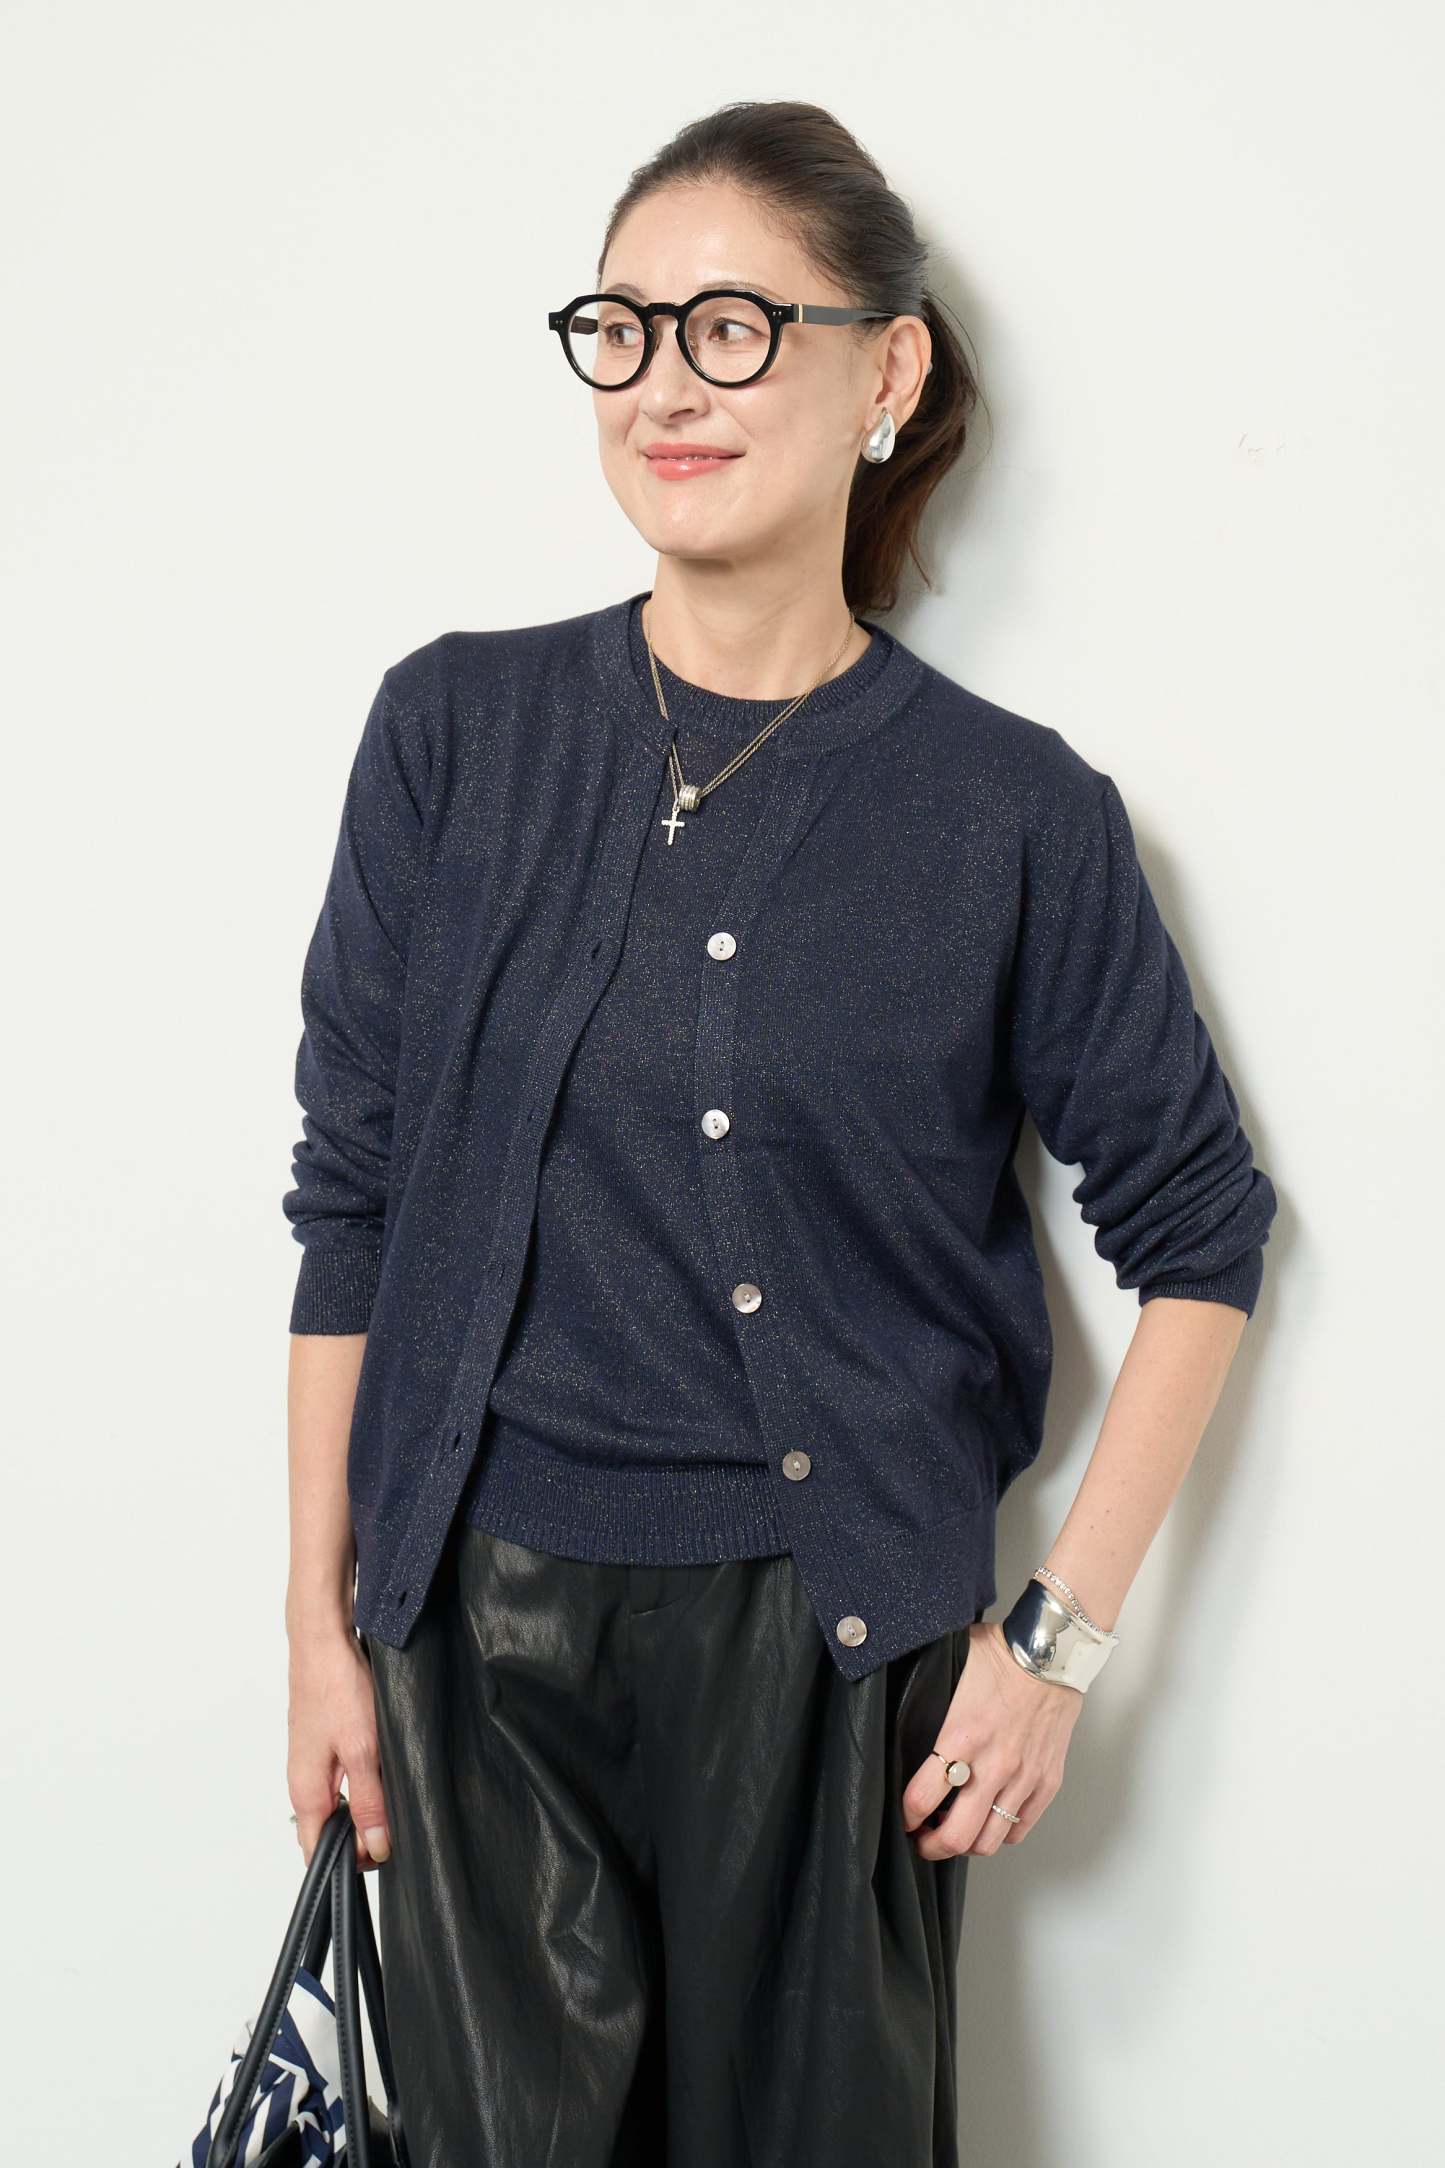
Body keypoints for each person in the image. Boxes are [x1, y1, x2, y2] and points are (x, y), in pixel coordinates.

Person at [280, 98, 1277, 2168]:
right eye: (622, 329)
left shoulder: (1011, 816)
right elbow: (349, 1199)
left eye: (732, 327)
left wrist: (1055, 1649)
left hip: (834, 1670)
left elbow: (1201, 1232)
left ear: (882, 370)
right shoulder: (453, 736)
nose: (665, 384)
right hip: (473, 1649)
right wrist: (317, 1628)